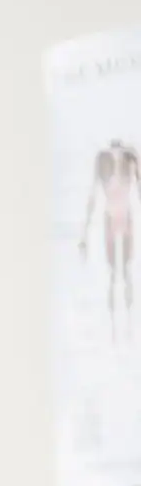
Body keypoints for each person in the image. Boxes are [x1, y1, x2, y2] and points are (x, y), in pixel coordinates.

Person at [79, 139, 139, 341]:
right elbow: (93, 197)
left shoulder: (129, 161)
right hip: (112, 219)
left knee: (126, 273)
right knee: (116, 274)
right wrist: (84, 235)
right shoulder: (105, 161)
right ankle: (115, 329)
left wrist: (84, 235)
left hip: (123, 218)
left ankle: (128, 325)